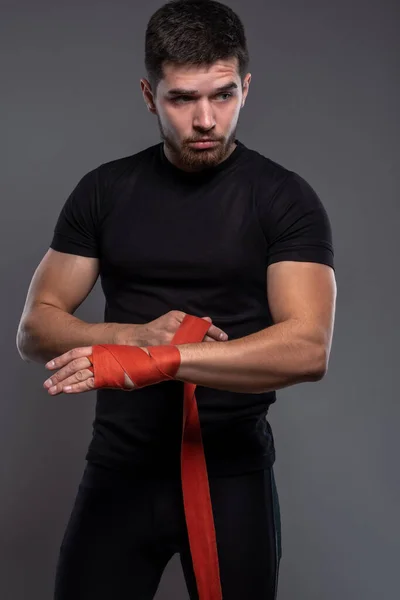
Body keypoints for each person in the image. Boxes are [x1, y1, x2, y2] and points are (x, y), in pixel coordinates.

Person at [16, 0, 337, 598]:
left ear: (246, 85)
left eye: (222, 95)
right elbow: (36, 328)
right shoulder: (104, 191)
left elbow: (308, 349)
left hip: (229, 473)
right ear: (148, 94)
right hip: (119, 469)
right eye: (182, 99)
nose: (207, 119)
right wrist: (131, 337)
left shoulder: (284, 199)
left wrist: (163, 362)